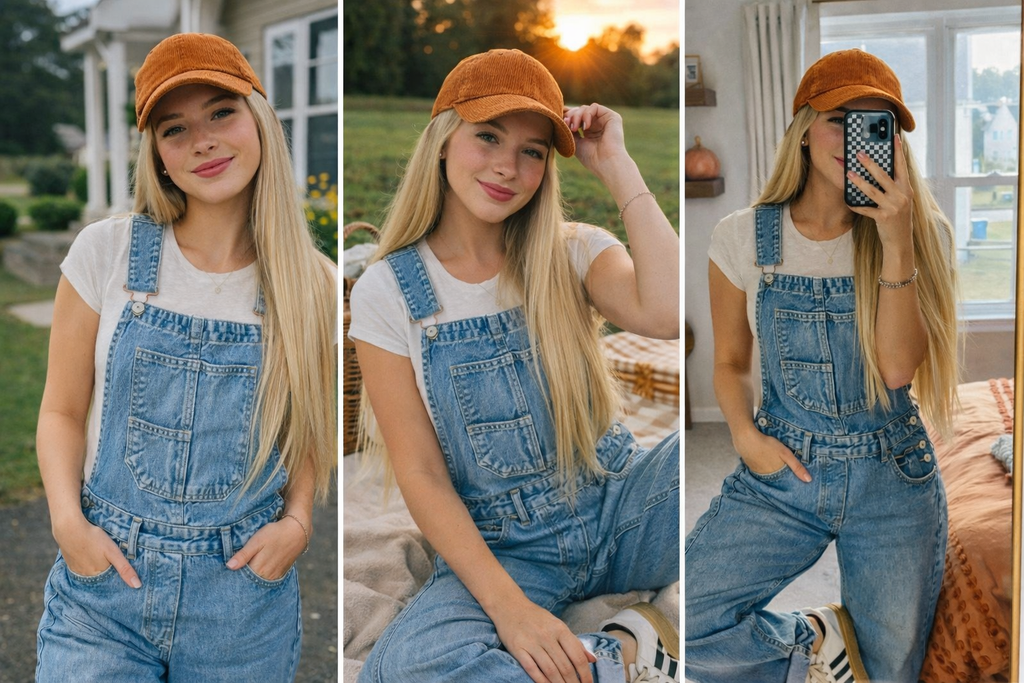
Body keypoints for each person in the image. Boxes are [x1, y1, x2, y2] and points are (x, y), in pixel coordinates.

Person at [348, 49, 681, 683]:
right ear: (444, 140)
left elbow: (665, 314)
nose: (509, 165)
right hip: (507, 547)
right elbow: (420, 473)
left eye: (533, 150)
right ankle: (618, 656)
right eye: (489, 137)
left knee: (754, 461)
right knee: (403, 669)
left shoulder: (574, 250)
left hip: (621, 504)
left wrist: (615, 162)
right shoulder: (387, 291)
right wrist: (511, 611)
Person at [34, 33, 336, 681]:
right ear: (158, 156)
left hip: (241, 601)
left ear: (259, 118)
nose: (202, 140)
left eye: (221, 112)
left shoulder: (310, 280)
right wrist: (67, 525)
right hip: (105, 588)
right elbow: (61, 408)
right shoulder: (106, 252)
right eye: (176, 129)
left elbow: (308, 425)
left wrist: (299, 522)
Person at [685, 49, 959, 683]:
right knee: (688, 624)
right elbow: (728, 361)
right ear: (804, 127)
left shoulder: (920, 235)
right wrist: (744, 436)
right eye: (841, 119)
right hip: (785, 468)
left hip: (893, 477)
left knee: (890, 670)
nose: (855, 138)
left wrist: (896, 240)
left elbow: (895, 371)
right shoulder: (742, 236)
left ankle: (850, 650)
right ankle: (817, 644)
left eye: (877, 126)